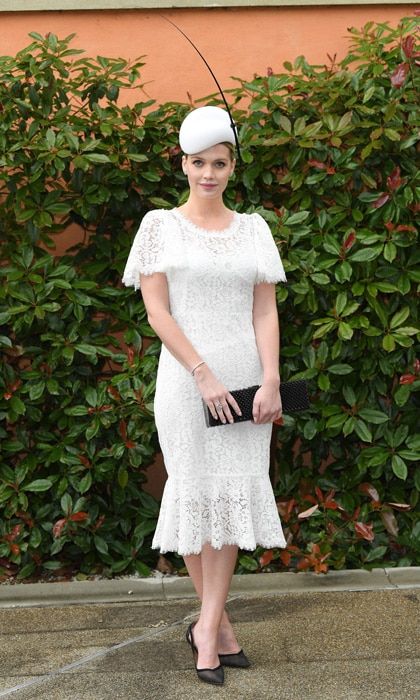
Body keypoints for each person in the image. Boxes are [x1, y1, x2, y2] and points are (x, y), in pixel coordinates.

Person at [122, 105, 287, 686]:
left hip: (247, 382)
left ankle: (210, 625)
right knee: (195, 494)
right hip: (187, 380)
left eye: (219, 163)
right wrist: (201, 373)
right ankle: (216, 630)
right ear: (184, 164)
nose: (208, 173)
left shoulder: (255, 230)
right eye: (199, 162)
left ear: (231, 167)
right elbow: (157, 311)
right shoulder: (158, 226)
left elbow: (264, 308)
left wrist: (270, 379)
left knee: (233, 493)